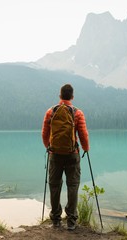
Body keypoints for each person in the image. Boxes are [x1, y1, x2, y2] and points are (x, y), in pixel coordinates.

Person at [41, 83, 89, 230]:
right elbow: (83, 134)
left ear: (60, 95)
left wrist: (49, 148)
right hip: (72, 155)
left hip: (55, 154)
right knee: (72, 186)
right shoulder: (77, 113)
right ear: (72, 97)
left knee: (54, 186)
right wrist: (86, 148)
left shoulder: (51, 112)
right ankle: (71, 221)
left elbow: (45, 133)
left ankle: (56, 219)